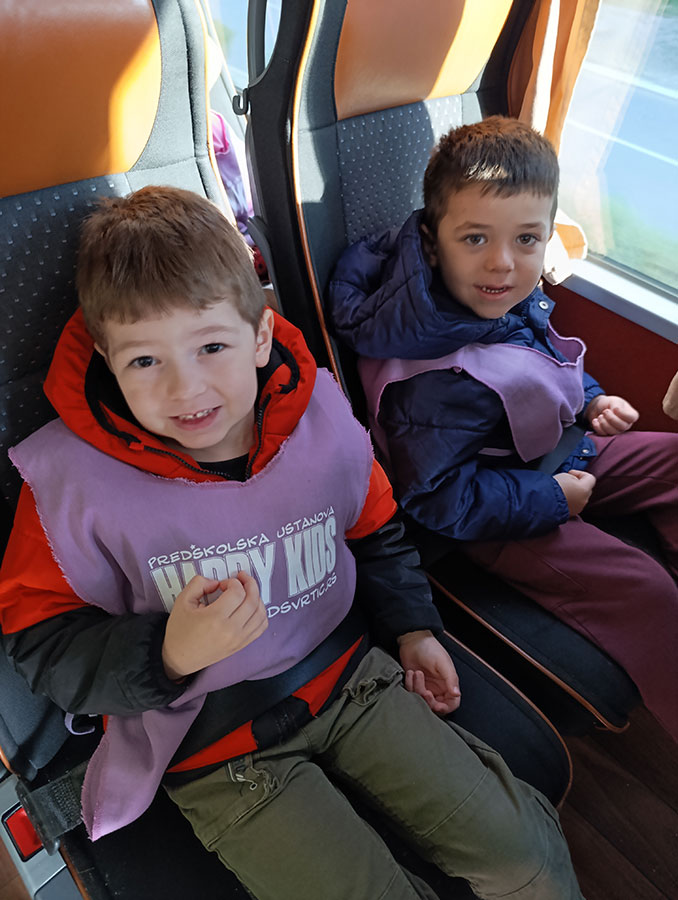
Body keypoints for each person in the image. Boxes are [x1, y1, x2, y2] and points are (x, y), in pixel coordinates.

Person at [0, 185, 583, 900]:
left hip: (351, 681)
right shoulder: (68, 486)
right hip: (214, 751)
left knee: (526, 854)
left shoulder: (320, 418)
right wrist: (166, 653)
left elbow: (374, 528)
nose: (185, 389)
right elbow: (40, 642)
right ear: (108, 360)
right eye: (145, 362)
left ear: (260, 337)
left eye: (212, 346)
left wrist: (412, 626)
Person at [327, 116, 678, 745]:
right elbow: (436, 500)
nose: (503, 262)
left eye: (526, 239)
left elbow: (536, 361)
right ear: (432, 243)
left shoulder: (493, 299)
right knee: (648, 592)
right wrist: (551, 500)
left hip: (556, 449)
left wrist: (591, 400)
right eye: (475, 238)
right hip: (496, 513)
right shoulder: (430, 381)